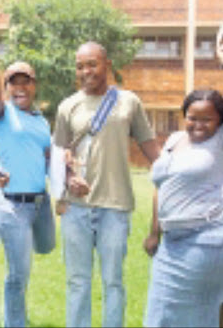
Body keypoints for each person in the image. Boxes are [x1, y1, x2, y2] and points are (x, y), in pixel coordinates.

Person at [143, 43, 223, 327]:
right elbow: (162, 188)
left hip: (209, 241)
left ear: (221, 122)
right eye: (192, 118)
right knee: (163, 316)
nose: (197, 125)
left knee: (213, 313)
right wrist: (154, 233)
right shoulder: (173, 141)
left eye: (207, 119)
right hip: (172, 243)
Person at [53, 41, 160, 327]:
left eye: (92, 64)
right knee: (78, 282)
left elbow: (151, 149)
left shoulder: (129, 102)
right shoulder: (68, 106)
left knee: (113, 282)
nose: (86, 71)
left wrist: (173, 174)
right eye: (80, 66)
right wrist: (68, 178)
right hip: (76, 209)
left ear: (107, 65)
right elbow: (56, 157)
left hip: (116, 206)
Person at [0, 4, 56, 327]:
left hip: (41, 202)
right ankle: (14, 323)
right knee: (19, 274)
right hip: (16, 206)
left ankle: (12, 227)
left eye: (26, 81)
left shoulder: (42, 122)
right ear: (7, 88)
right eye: (13, 81)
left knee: (46, 247)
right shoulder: (2, 115)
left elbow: (48, 159)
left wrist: (64, 170)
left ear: (34, 85)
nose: (20, 86)